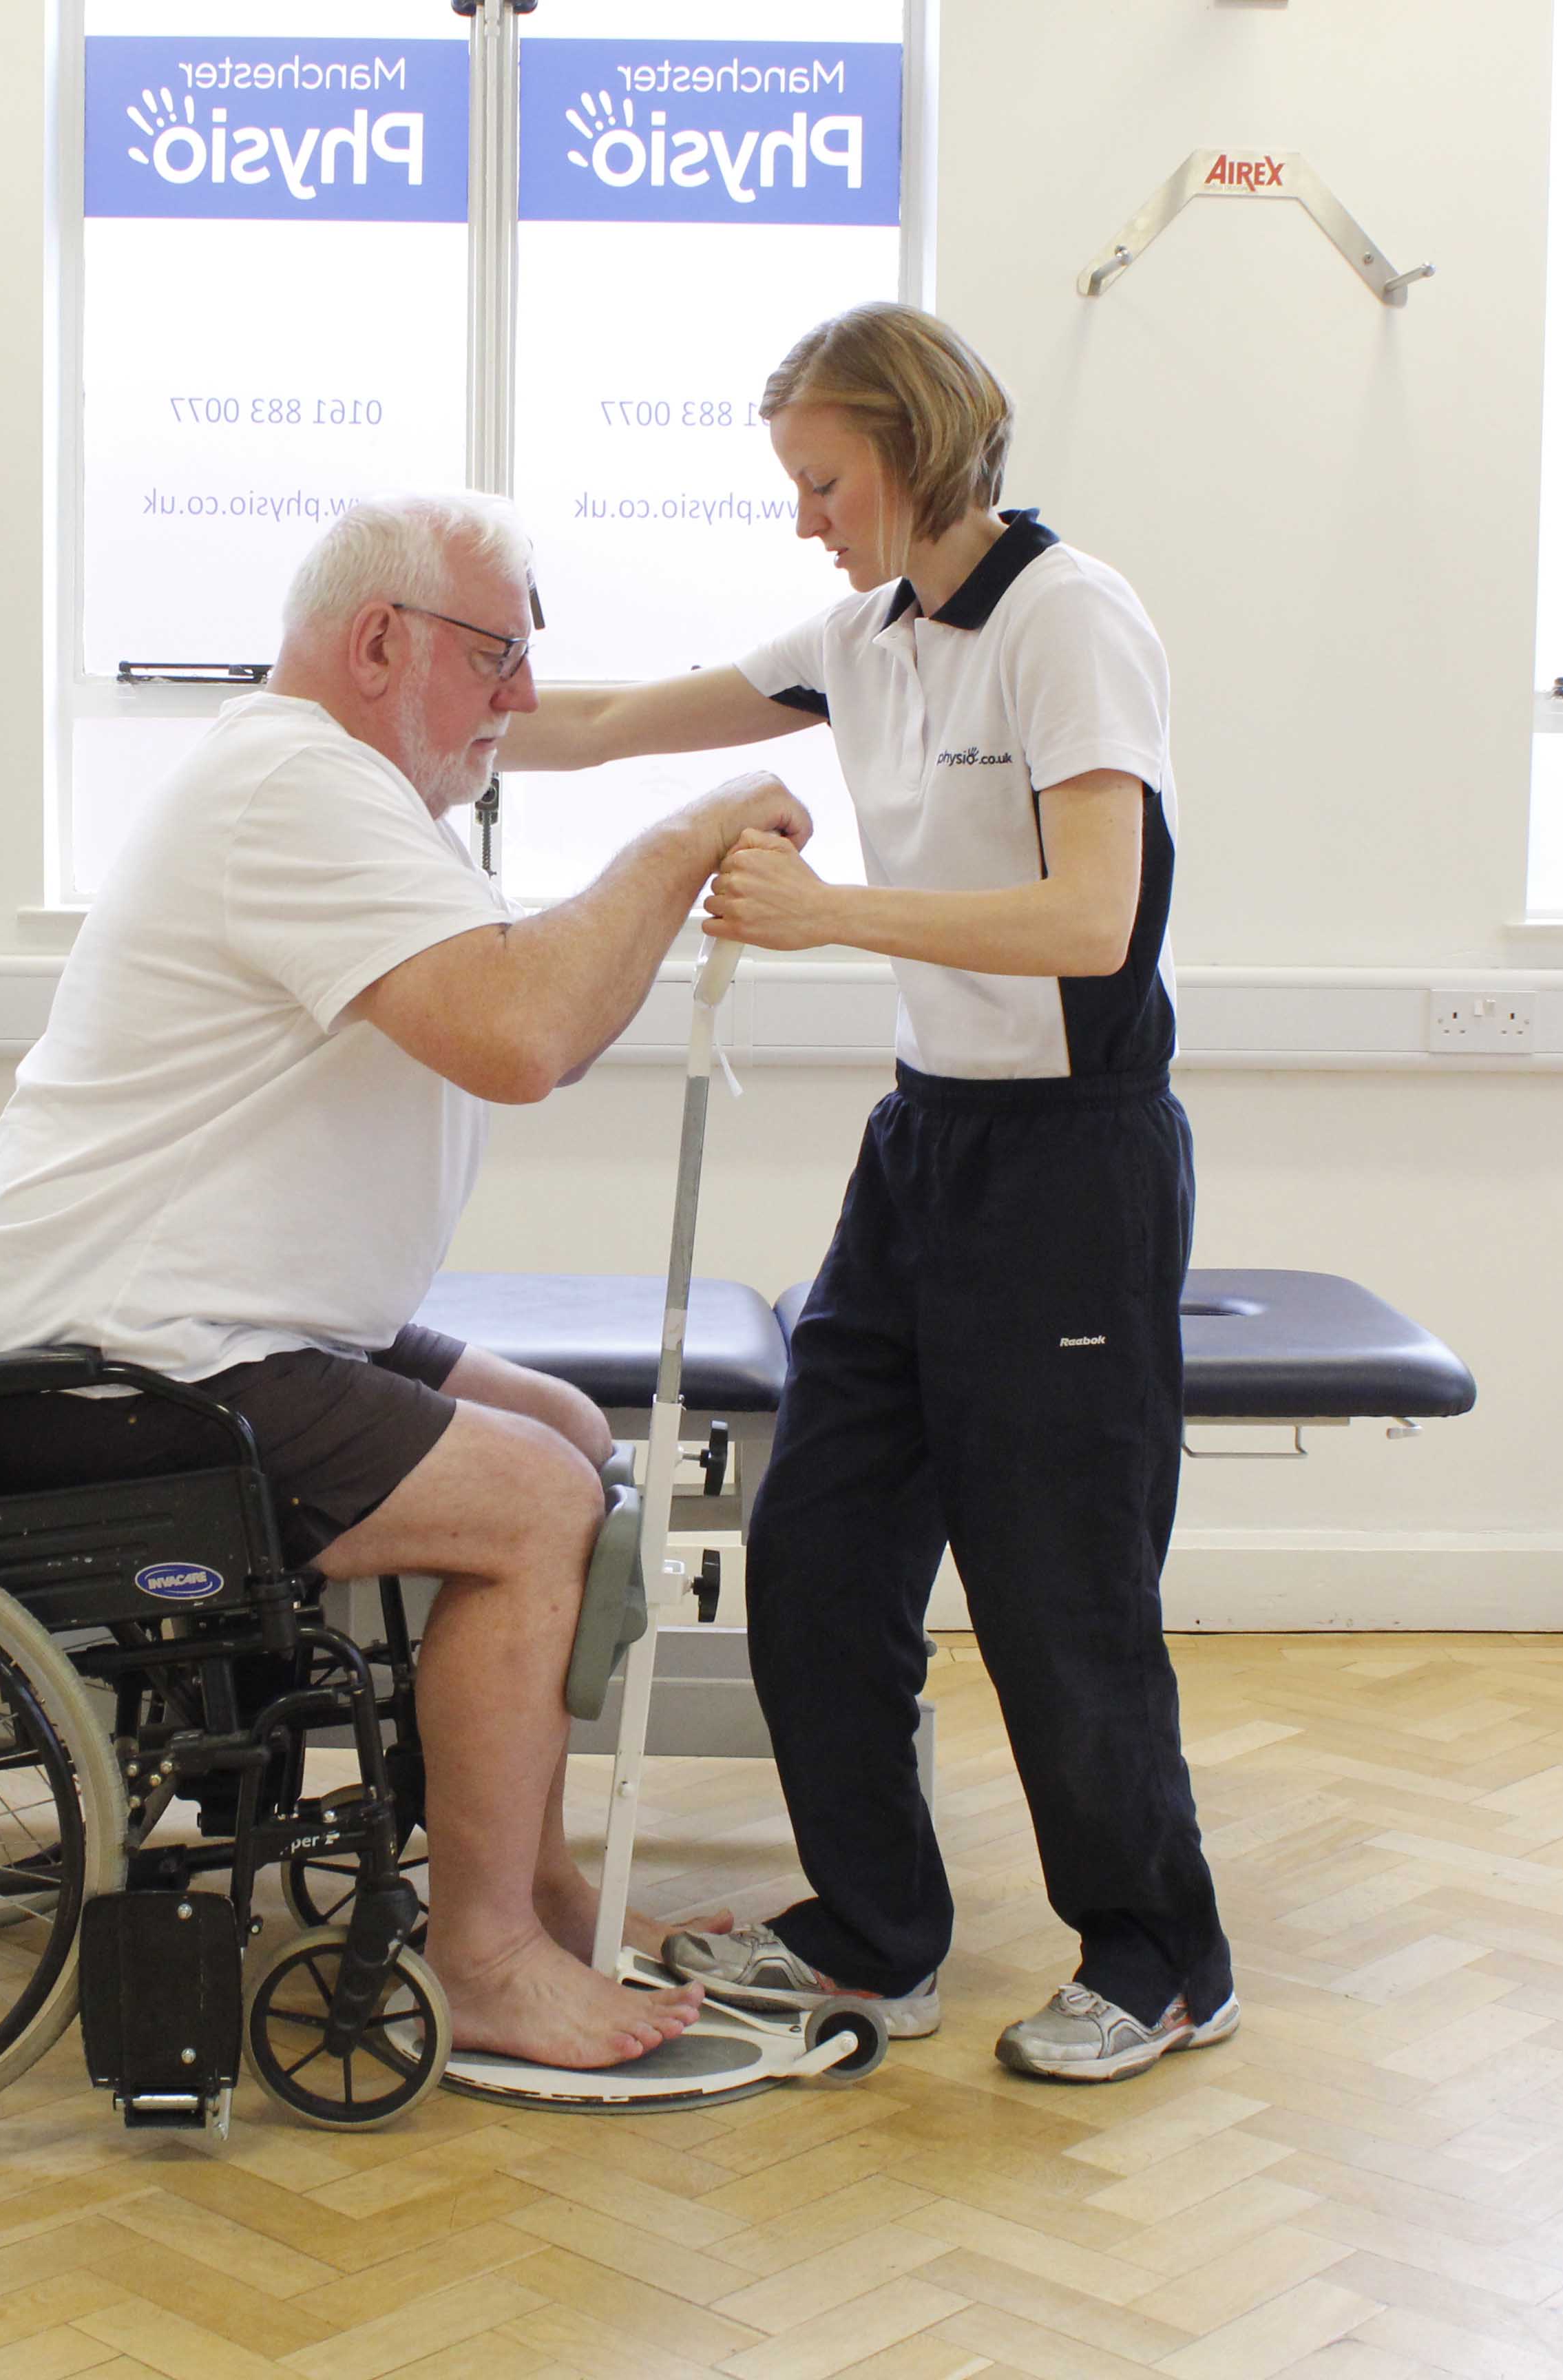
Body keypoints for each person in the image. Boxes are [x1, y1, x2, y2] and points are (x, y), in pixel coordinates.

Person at [0, 492, 808, 2071]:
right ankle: (486, 1959)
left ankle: (531, 1876)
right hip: (113, 1369)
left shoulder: (342, 789)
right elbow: (524, 1036)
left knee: (567, 1438)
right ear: (382, 642)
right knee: (533, 1507)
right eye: (500, 659)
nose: (520, 699)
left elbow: (541, 1005)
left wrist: (691, 822)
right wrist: (679, 842)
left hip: (210, 1319)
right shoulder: (298, 790)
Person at [499, 302, 1238, 2085]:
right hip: (925, 1150)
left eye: (823, 481)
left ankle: (1160, 1952)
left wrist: (834, 917)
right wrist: (390, 719)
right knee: (819, 1547)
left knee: (1060, 1591)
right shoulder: (866, 637)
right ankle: (874, 1931)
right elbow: (601, 723)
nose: (807, 517)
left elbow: (1092, 921)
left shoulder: (1071, 623)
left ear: (914, 454)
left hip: (1074, 1164)